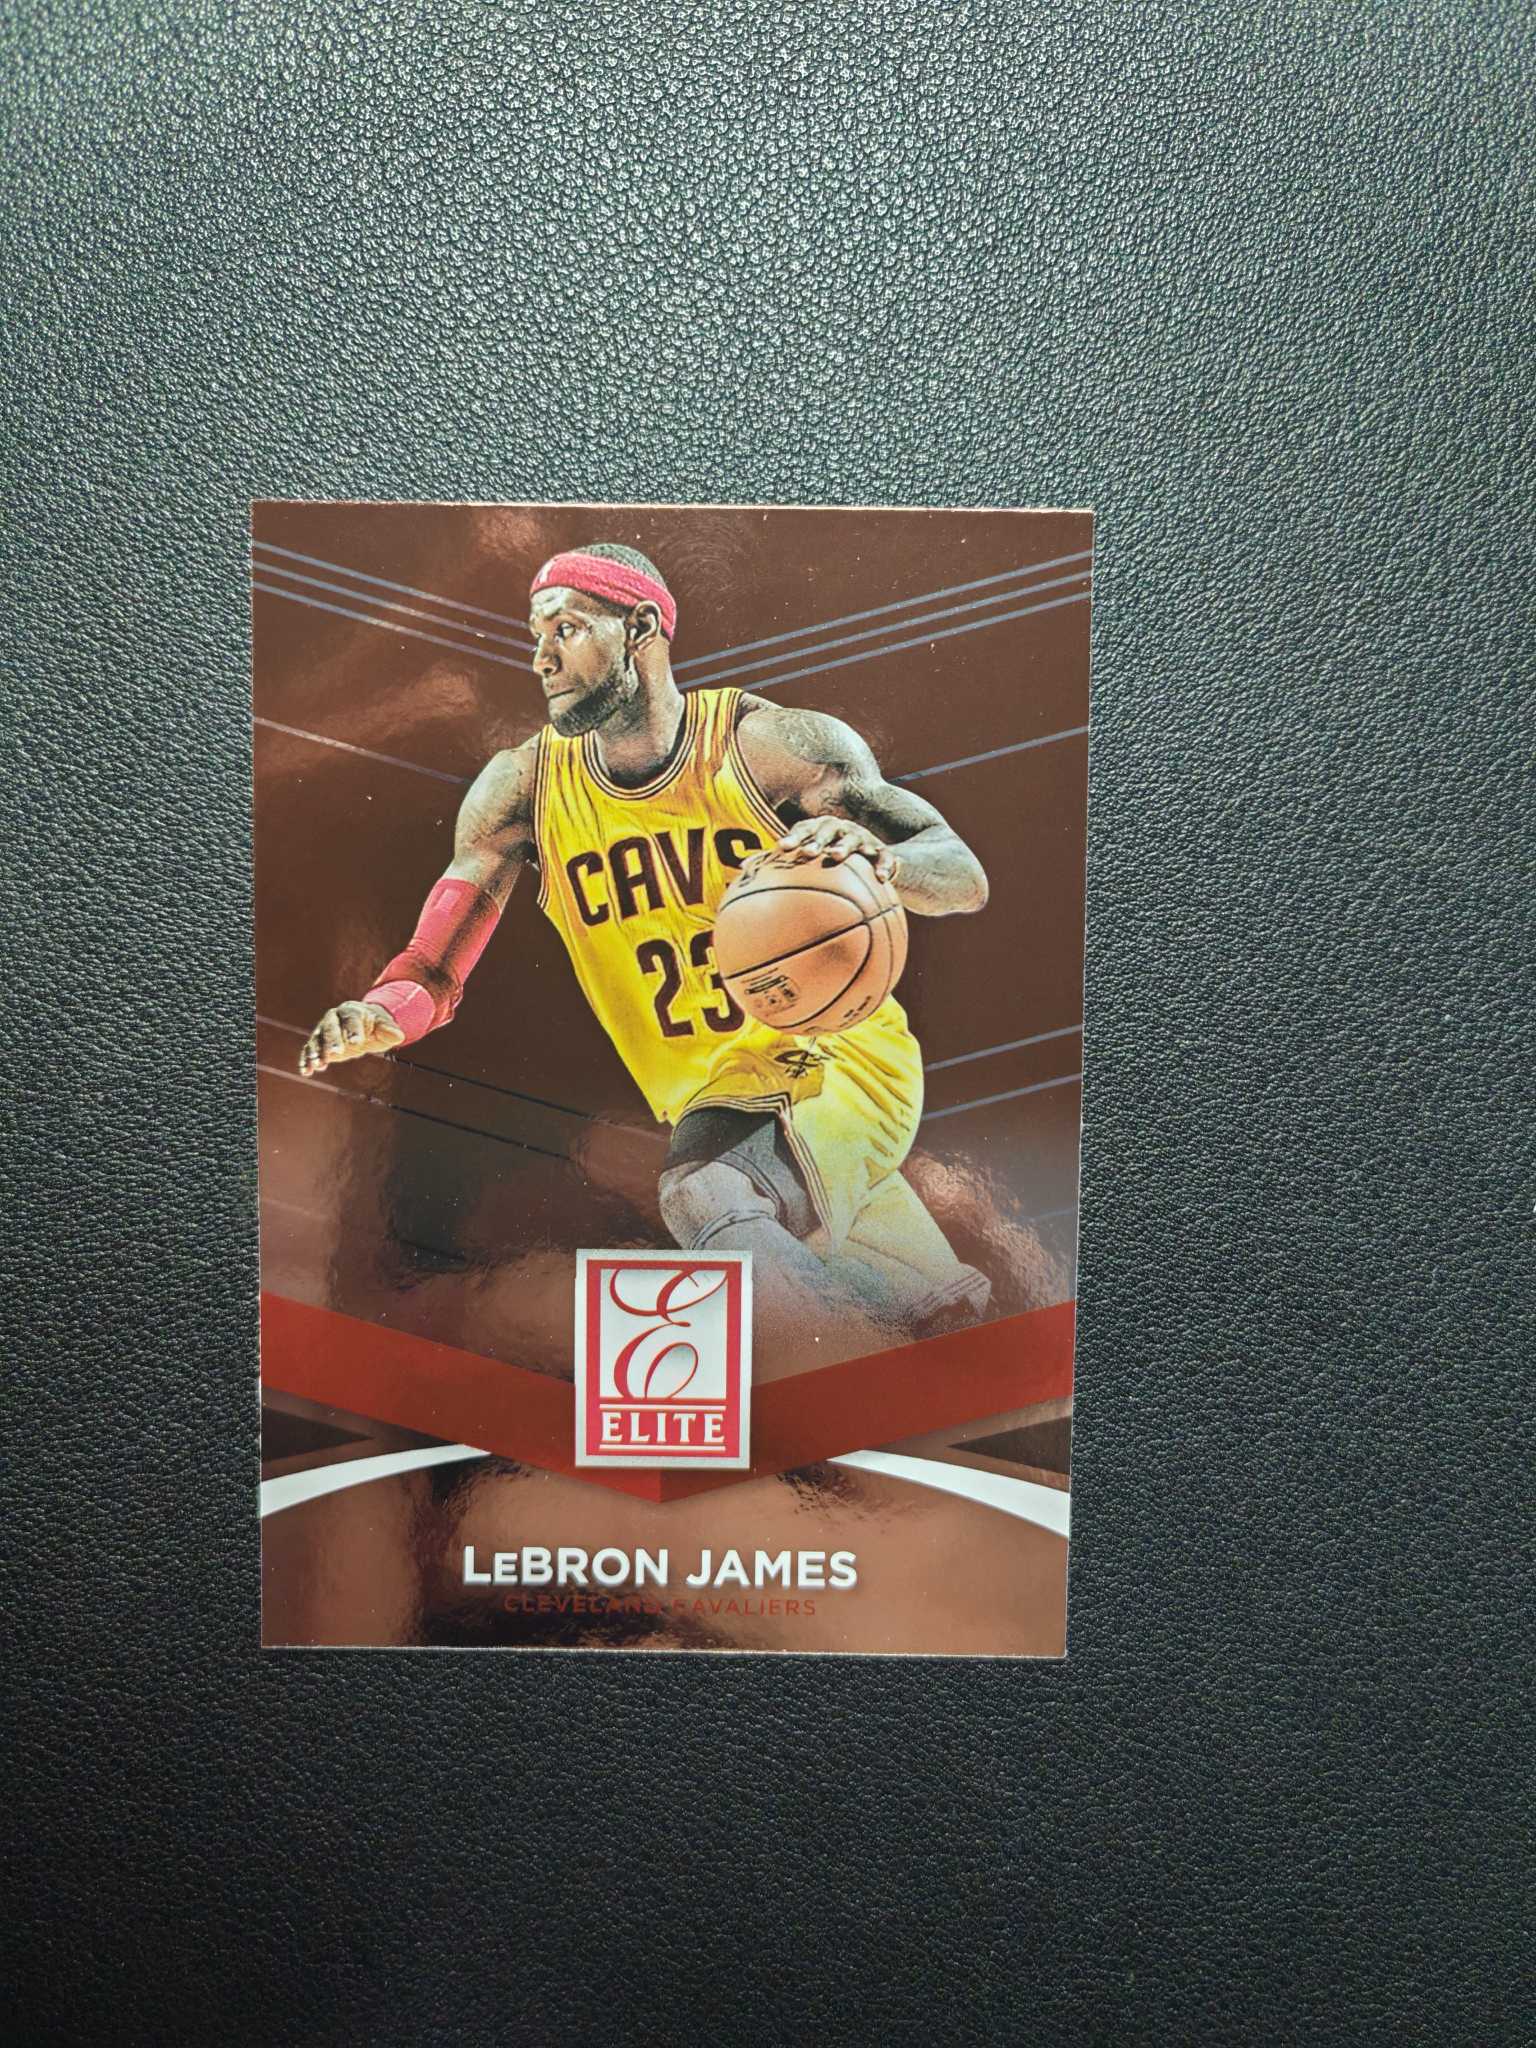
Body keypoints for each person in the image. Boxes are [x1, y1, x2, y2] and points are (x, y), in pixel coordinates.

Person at [299, 543, 992, 1339]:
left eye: (567, 629)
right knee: (930, 1327)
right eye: (536, 635)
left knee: (706, 1193)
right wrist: (383, 1013)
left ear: (640, 628)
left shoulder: (768, 748)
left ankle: (837, 1370)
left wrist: (886, 864)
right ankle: (930, 1326)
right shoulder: (524, 788)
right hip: (714, 1096)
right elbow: (432, 968)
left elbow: (961, 874)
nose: (542, 658)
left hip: (836, 1056)